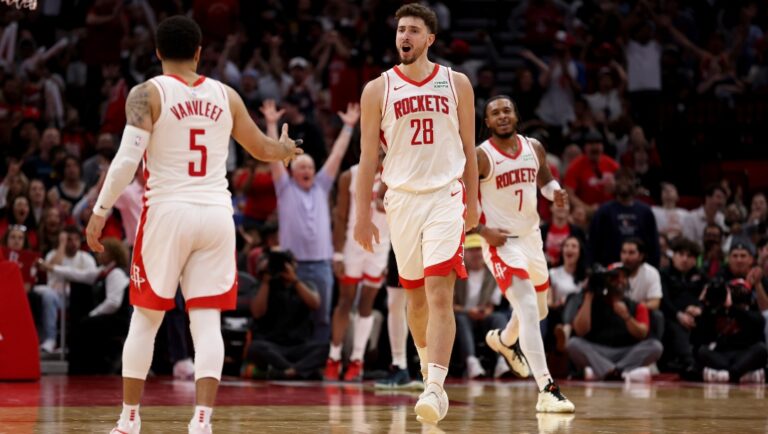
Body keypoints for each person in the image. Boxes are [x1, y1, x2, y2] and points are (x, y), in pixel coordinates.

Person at [84, 16, 301, 434]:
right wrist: (284, 149)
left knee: (146, 319)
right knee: (207, 322)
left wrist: (100, 211)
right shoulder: (227, 94)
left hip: (168, 211)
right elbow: (261, 148)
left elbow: (127, 160)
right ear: (200, 52)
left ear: (158, 52)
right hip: (217, 215)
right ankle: (202, 421)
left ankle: (129, 420)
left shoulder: (147, 92)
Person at [354, 3, 479, 425]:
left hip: (445, 194)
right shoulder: (378, 89)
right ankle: (428, 369)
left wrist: (474, 200)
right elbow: (367, 158)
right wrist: (361, 215)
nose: (403, 36)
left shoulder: (456, 83)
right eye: (400, 29)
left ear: (430, 39)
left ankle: (435, 385)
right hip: (401, 201)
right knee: (414, 299)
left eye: (412, 30)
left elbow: (469, 148)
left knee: (439, 291)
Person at [473, 95, 574, 413]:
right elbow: (459, 198)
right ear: (487, 122)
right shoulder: (481, 156)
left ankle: (503, 340)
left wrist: (555, 192)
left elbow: (544, 180)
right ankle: (547, 388)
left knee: (539, 312)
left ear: (516, 116)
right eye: (494, 113)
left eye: (507, 110)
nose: (502, 116)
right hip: (502, 243)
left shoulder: (534, 148)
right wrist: (480, 230)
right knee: (529, 307)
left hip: (532, 239)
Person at [262, 99, 360, 342]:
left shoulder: (321, 186)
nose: (306, 170)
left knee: (322, 318)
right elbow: (275, 159)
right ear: (292, 172)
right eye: (301, 166)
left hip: (321, 265)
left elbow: (337, 155)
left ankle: (316, 363)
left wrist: (348, 127)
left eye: (309, 167)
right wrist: (271, 124)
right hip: (292, 265)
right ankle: (292, 358)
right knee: (291, 316)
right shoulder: (284, 187)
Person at [325, 153, 391, 382]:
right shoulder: (350, 175)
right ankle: (333, 357)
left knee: (367, 303)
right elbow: (340, 216)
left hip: (381, 246)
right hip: (353, 245)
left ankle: (357, 359)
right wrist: (337, 254)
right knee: (345, 301)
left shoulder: (397, 173)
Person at [567, 264, 664, 382]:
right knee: (573, 343)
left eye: (624, 277)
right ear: (606, 280)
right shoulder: (592, 302)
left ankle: (607, 371)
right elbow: (580, 330)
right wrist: (588, 296)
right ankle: (623, 372)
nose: (620, 281)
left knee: (655, 346)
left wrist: (627, 317)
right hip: (599, 351)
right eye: (615, 277)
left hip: (626, 352)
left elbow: (642, 333)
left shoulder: (637, 306)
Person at [246, 250, 327, 380]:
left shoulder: (305, 285)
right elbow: (257, 313)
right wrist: (266, 280)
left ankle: (286, 371)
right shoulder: (263, 286)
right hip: (272, 345)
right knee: (255, 347)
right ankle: (298, 370)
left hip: (299, 346)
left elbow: (315, 304)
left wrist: (294, 280)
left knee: (327, 347)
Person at [452, 234, 507, 379]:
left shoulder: (493, 273)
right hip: (463, 315)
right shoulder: (455, 274)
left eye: (479, 249)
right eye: (471, 250)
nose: (476, 254)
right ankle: (471, 362)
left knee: (499, 317)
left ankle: (502, 360)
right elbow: (450, 306)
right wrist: (468, 311)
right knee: (462, 319)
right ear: (464, 254)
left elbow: (492, 305)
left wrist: (485, 312)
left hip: (483, 317)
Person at [588, 168, 661, 267]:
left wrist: (653, 267)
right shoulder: (603, 211)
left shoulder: (645, 212)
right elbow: (593, 243)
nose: (624, 183)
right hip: (610, 269)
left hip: (640, 269)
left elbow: (654, 245)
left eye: (628, 179)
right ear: (614, 183)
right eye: (619, 179)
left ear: (635, 182)